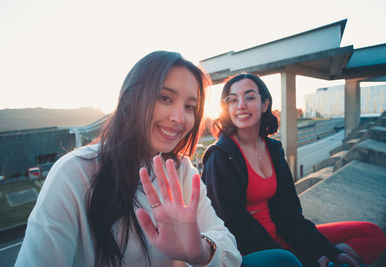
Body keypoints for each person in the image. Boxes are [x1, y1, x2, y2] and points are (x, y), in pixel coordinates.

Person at [15, 51, 243, 267]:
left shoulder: (181, 169)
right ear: (132, 98)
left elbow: (229, 248)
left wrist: (200, 251)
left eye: (190, 106)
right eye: (165, 98)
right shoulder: (74, 173)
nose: (179, 118)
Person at [201, 73, 386, 267]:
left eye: (249, 97)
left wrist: (330, 251)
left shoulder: (273, 148)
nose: (240, 105)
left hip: (284, 233)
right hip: (254, 250)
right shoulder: (220, 156)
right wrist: (305, 261)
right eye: (232, 100)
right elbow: (236, 228)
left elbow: (289, 213)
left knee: (371, 234)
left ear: (265, 104)